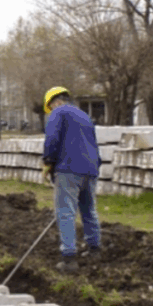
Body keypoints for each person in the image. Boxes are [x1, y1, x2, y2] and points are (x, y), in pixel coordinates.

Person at [42, 86, 101, 273]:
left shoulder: (58, 112)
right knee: (89, 210)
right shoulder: (84, 116)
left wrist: (48, 162)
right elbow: (92, 143)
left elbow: (52, 138)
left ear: (53, 102)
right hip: (90, 169)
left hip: (68, 168)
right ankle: (95, 250)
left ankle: (69, 258)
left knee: (65, 212)